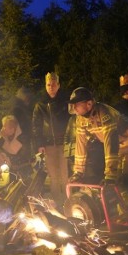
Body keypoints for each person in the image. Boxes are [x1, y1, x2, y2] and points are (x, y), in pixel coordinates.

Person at [67, 87, 128, 233]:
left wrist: (110, 174)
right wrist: (78, 172)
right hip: (118, 147)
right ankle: (126, 219)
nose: (74, 107)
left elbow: (110, 145)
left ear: (89, 104)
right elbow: (81, 146)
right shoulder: (80, 119)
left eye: (77, 104)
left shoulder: (105, 114)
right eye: (72, 104)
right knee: (118, 185)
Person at [32, 72, 71, 207]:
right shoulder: (41, 105)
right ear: (45, 86)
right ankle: (57, 203)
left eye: (54, 84)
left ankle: (68, 201)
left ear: (58, 85)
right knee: (54, 176)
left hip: (63, 143)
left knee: (65, 175)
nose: (51, 87)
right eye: (48, 84)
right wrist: (40, 144)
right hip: (48, 145)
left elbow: (72, 122)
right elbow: (36, 126)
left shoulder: (66, 103)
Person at [0, 114, 32, 182]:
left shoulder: (22, 138)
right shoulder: (8, 138)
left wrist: (4, 138)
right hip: (13, 171)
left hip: (23, 171)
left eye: (5, 126)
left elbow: (13, 151)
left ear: (12, 129)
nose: (3, 129)